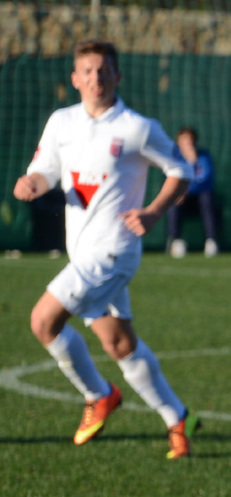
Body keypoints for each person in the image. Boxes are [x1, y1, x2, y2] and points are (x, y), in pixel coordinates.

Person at [13, 40, 202, 459]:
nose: (95, 78)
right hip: (82, 254)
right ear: (75, 79)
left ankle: (99, 395)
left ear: (118, 76)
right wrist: (32, 184)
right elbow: (45, 171)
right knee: (119, 344)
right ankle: (178, 418)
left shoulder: (137, 127)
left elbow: (181, 170)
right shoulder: (62, 122)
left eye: (103, 70)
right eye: (88, 71)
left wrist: (153, 211)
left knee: (43, 321)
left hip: (115, 251)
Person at [164, 126, 217, 258]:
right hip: (182, 200)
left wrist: (193, 162)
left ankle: (211, 241)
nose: (188, 143)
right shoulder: (174, 158)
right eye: (184, 139)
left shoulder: (204, 157)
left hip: (200, 199)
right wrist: (180, 191)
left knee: (207, 198)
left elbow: (204, 179)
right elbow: (172, 179)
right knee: (174, 200)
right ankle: (176, 241)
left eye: (191, 139)